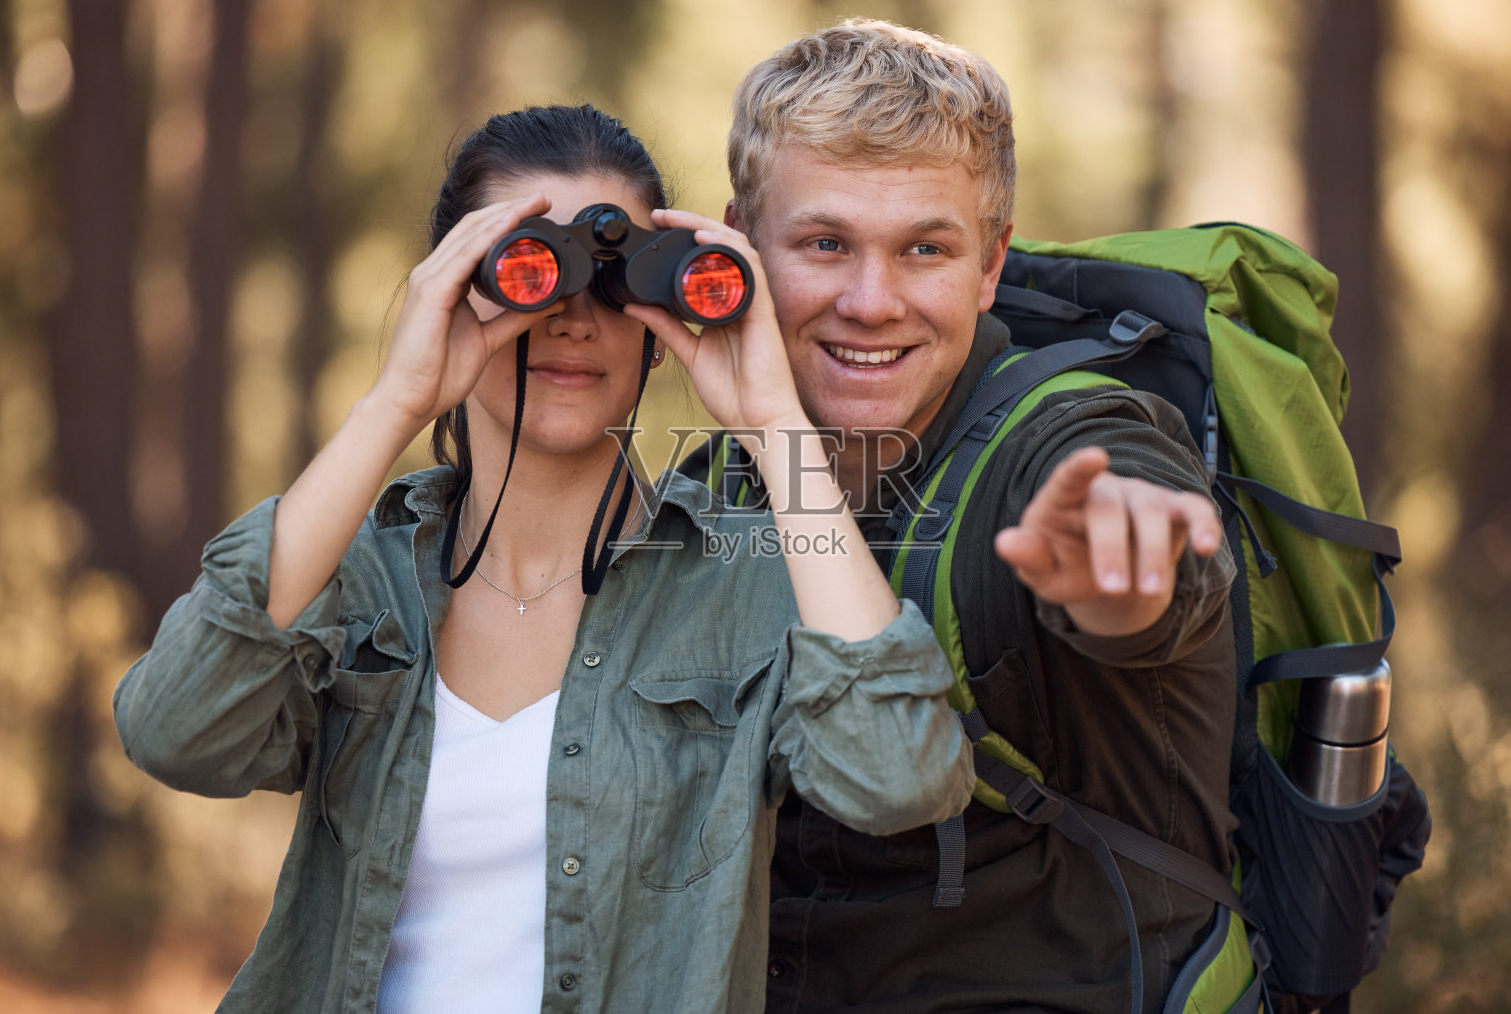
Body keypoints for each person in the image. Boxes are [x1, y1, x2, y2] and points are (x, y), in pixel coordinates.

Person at [113, 104, 974, 1014]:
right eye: (529, 270)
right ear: (453, 283)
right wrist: (395, 398)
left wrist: (773, 422)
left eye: (616, 283)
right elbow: (177, 730)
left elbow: (899, 780)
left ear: (663, 309)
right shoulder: (360, 577)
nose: (572, 319)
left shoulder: (746, 584)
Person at [680, 21, 1240, 1012]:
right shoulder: (722, 480)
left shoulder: (1066, 446)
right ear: (744, 242)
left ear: (989, 267)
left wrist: (1123, 578)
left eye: (923, 251)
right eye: (823, 243)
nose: (870, 300)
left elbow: (1147, 557)